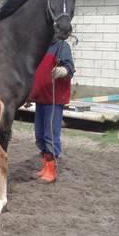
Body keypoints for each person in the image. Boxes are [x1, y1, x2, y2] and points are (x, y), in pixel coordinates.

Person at [29, 38, 75, 183]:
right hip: (41, 98)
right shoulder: (41, 46)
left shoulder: (62, 46)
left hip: (54, 99)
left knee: (50, 134)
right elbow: (37, 75)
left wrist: (63, 70)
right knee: (40, 135)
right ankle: (45, 166)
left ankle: (51, 171)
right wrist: (30, 95)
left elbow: (70, 68)